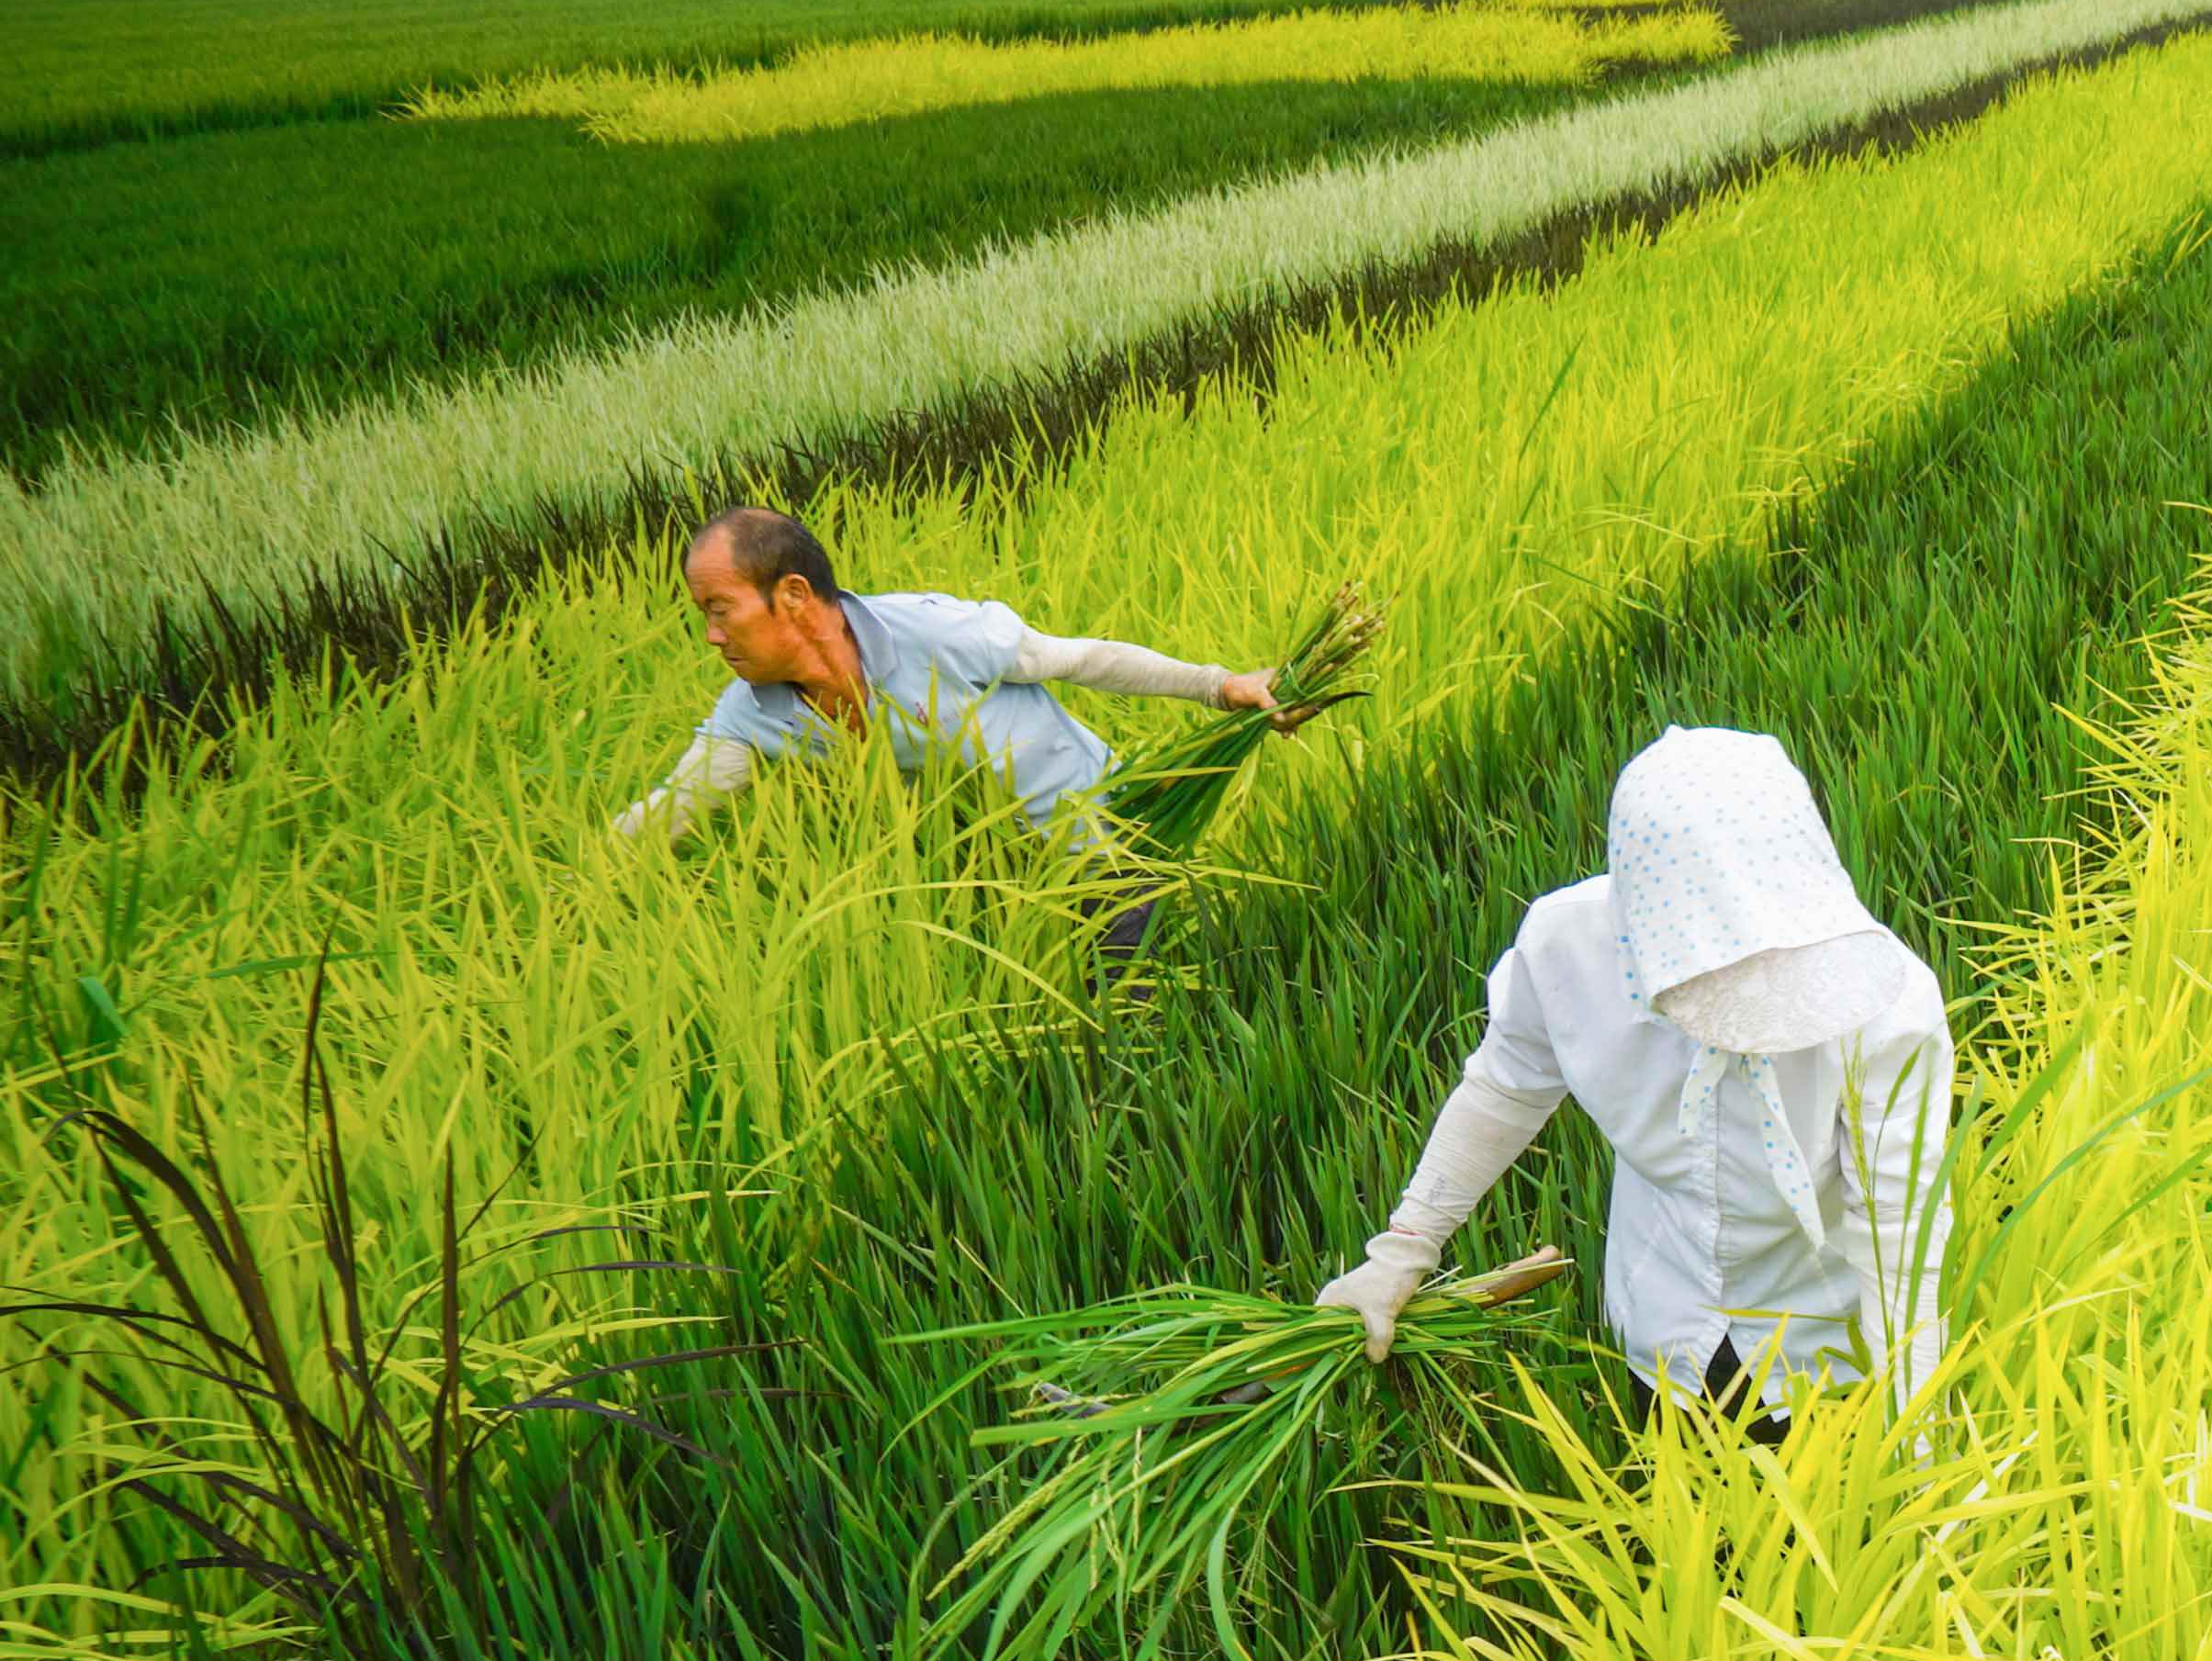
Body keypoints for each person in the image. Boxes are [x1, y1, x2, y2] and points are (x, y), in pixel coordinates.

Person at [1313, 726, 1950, 1441]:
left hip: (1826, 1344)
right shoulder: (1567, 949)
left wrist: (1917, 1436)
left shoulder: (1884, 1006)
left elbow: (1899, 1229)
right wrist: (1404, 1248)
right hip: (1663, 1317)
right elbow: (1505, 1089)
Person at [608, 506, 1303, 899]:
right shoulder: (753, 713)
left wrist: (1221, 685)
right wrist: (581, 886)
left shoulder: (933, 633)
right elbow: (676, 806)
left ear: (791, 596)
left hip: (1100, 844)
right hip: (993, 888)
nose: (711, 636)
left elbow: (1083, 660)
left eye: (721, 610)